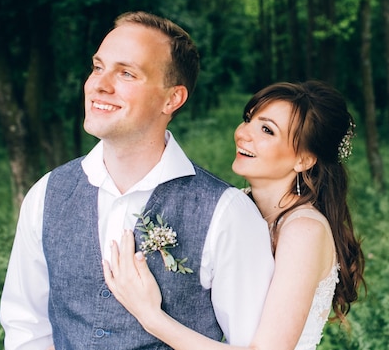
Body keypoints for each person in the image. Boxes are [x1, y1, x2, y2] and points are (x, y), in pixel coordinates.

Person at [0, 11, 275, 350]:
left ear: (172, 99)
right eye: (98, 67)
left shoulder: (227, 214)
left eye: (126, 73)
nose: (99, 84)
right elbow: (26, 328)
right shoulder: (46, 194)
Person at [103, 81, 366, 350]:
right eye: (248, 119)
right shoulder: (236, 207)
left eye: (266, 130)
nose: (243, 134)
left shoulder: (303, 231)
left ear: (304, 160)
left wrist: (151, 317)